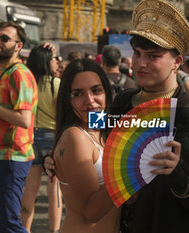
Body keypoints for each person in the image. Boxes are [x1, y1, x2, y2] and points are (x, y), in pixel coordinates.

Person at [45, 1, 189, 232]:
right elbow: (89, 132)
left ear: (177, 62)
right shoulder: (124, 102)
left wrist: (177, 175)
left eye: (153, 56)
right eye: (137, 53)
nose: (141, 63)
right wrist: (57, 157)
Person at [0, 21, 38, 233]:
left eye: (5, 38)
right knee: (1, 225)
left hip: (11, 157)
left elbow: (24, 119)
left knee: (10, 225)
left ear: (19, 45)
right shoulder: (4, 72)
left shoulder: (18, 74)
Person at [52, 58, 121, 233]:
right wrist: (131, 171)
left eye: (96, 90)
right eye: (78, 94)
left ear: (106, 92)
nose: (89, 101)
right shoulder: (75, 137)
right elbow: (92, 212)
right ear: (67, 100)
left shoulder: (103, 131)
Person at [20, 44, 62, 233]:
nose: (56, 62)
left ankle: (24, 229)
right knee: (54, 188)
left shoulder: (28, 83)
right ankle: (54, 230)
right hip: (52, 137)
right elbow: (60, 114)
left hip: (29, 137)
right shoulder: (56, 84)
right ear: (46, 61)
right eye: (53, 59)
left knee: (30, 189)